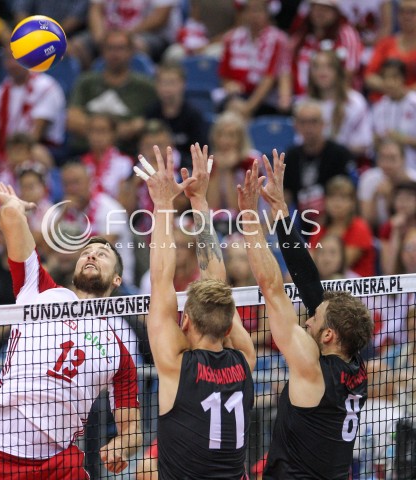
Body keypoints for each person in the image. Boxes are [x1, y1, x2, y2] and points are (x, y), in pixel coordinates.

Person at [0, 182, 142, 478]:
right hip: (1, 455)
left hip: (60, 464)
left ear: (117, 280)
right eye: (86, 252)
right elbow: (12, 225)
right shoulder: (41, 291)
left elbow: (133, 428)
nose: (91, 255)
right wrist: (14, 206)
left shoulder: (118, 349)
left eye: (102, 254)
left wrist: (123, 445)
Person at [238, 149, 373, 477]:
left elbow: (272, 289)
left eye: (314, 317)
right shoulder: (355, 365)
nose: (308, 317)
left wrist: (250, 217)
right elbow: (310, 283)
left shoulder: (312, 369)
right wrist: (282, 211)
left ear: (328, 335)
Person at [135, 143, 256, 479]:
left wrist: (162, 204)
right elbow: (217, 287)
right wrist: (199, 200)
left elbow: (160, 279)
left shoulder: (177, 366)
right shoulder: (244, 359)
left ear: (185, 320)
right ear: (229, 323)